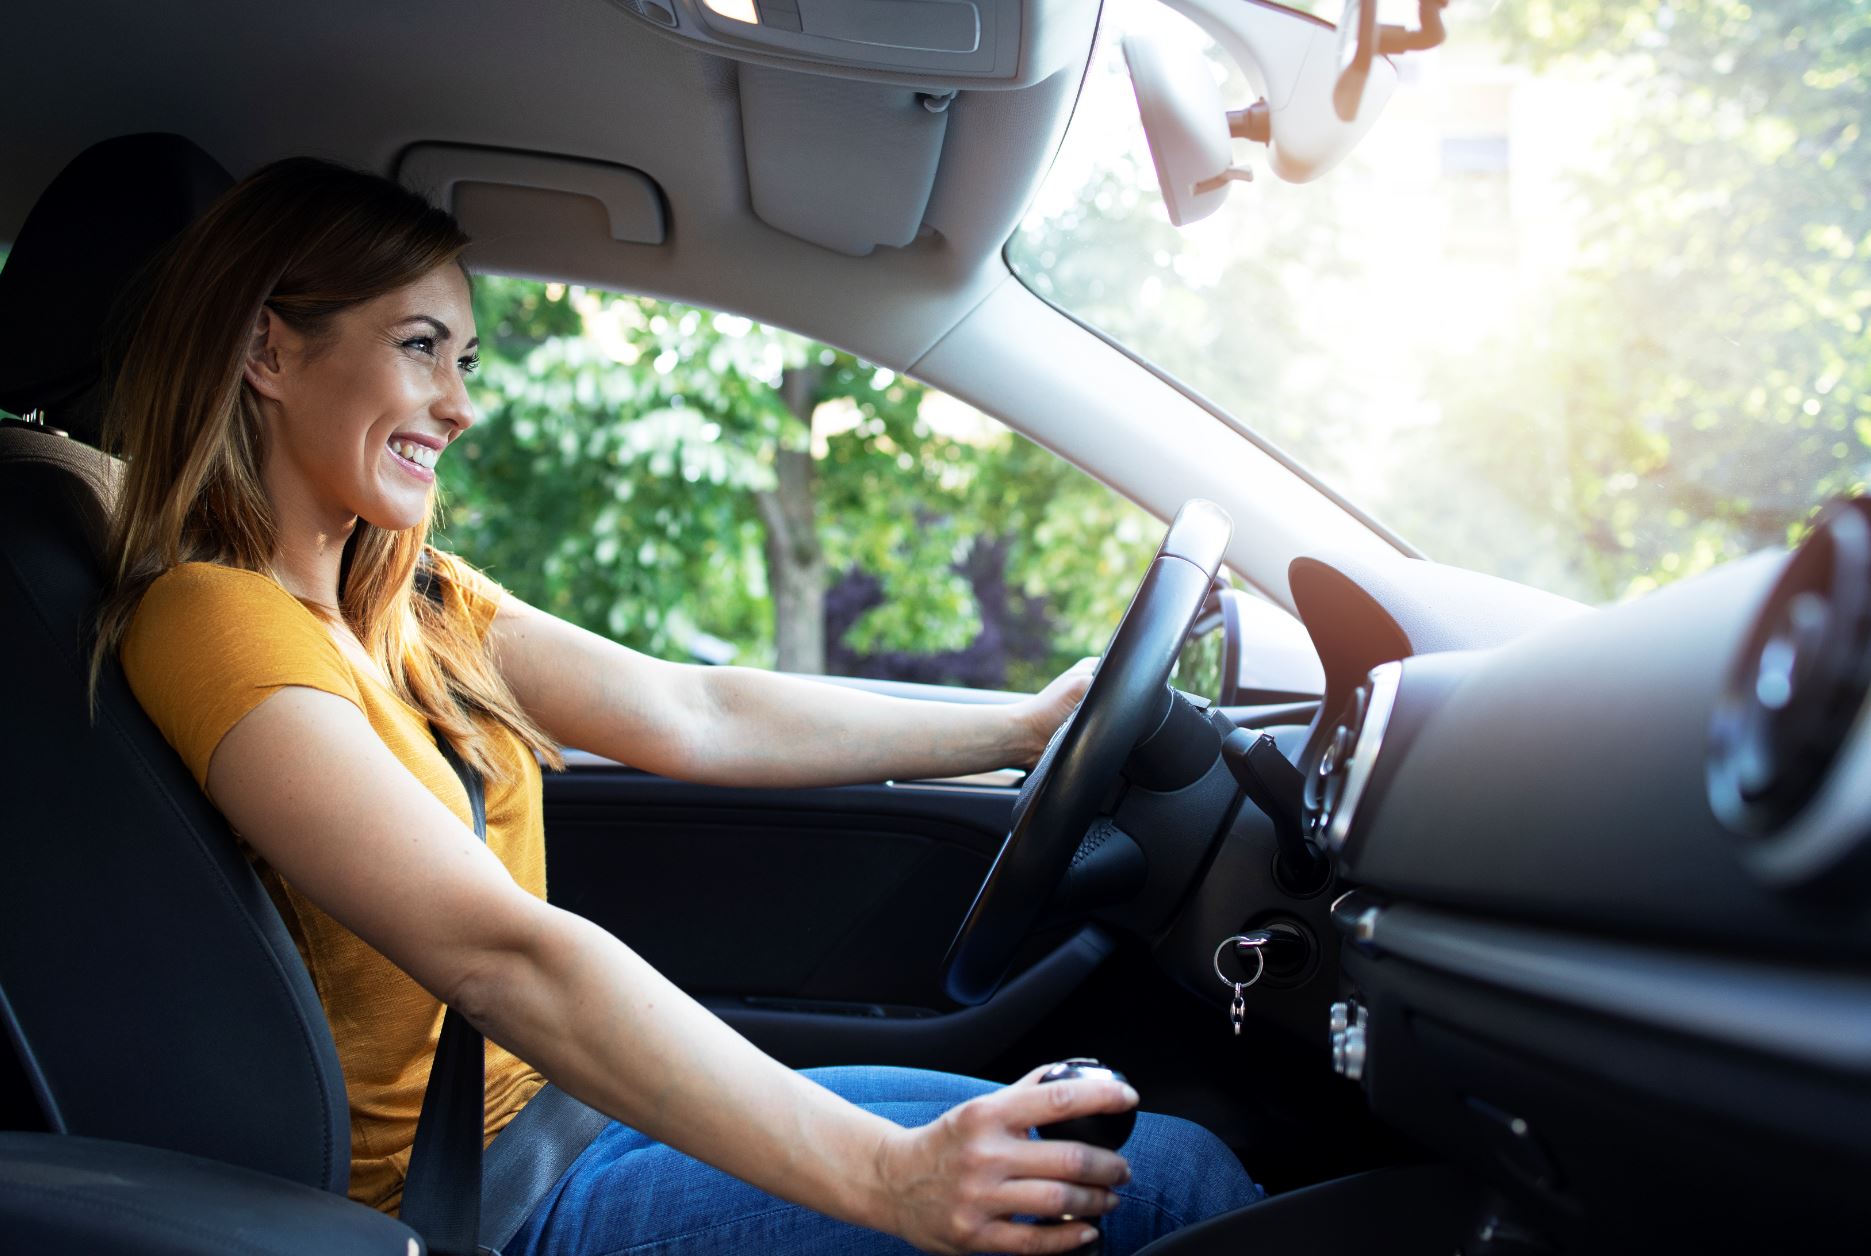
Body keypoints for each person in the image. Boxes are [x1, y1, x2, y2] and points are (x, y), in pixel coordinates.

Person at [91, 157, 1262, 1255]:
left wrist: (1021, 728)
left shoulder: (408, 596)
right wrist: (888, 1175)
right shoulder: (212, 617)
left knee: (1172, 1150)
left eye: (468, 361)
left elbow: (693, 710)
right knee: (1167, 1190)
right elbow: (500, 953)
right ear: (267, 352)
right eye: (420, 348)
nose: (458, 405)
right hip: (481, 1197)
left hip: (576, 1116)